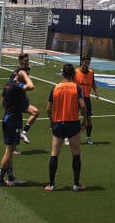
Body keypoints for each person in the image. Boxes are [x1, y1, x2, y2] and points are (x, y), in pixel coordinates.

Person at [44, 63, 87, 192]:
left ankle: (51, 184)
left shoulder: (55, 88)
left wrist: (52, 121)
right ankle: (76, 184)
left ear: (62, 74)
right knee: (76, 154)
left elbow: (48, 108)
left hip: (58, 123)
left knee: (54, 153)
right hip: (73, 123)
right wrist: (85, 119)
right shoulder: (76, 87)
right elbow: (83, 106)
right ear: (73, 74)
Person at [0, 69, 30, 186]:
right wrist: (25, 75)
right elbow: (30, 86)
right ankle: (0, 178)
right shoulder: (17, 85)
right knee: (9, 150)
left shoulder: (8, 84)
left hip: (7, 117)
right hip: (13, 120)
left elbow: (2, 103)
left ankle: (10, 177)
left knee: (10, 150)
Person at [11, 53, 40, 144]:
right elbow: (13, 84)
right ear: (20, 61)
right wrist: (23, 86)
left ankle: (23, 133)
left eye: (28, 61)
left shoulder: (25, 71)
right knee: (15, 125)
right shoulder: (19, 72)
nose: (27, 62)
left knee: (35, 112)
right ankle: (13, 147)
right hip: (15, 101)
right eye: (25, 61)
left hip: (22, 101)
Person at [74, 55, 100, 144]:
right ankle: (68, 137)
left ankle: (88, 137)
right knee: (72, 117)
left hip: (86, 98)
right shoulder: (76, 72)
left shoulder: (91, 72)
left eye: (88, 63)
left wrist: (96, 92)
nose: (87, 65)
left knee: (88, 118)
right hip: (76, 98)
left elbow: (93, 83)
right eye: (86, 63)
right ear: (82, 62)